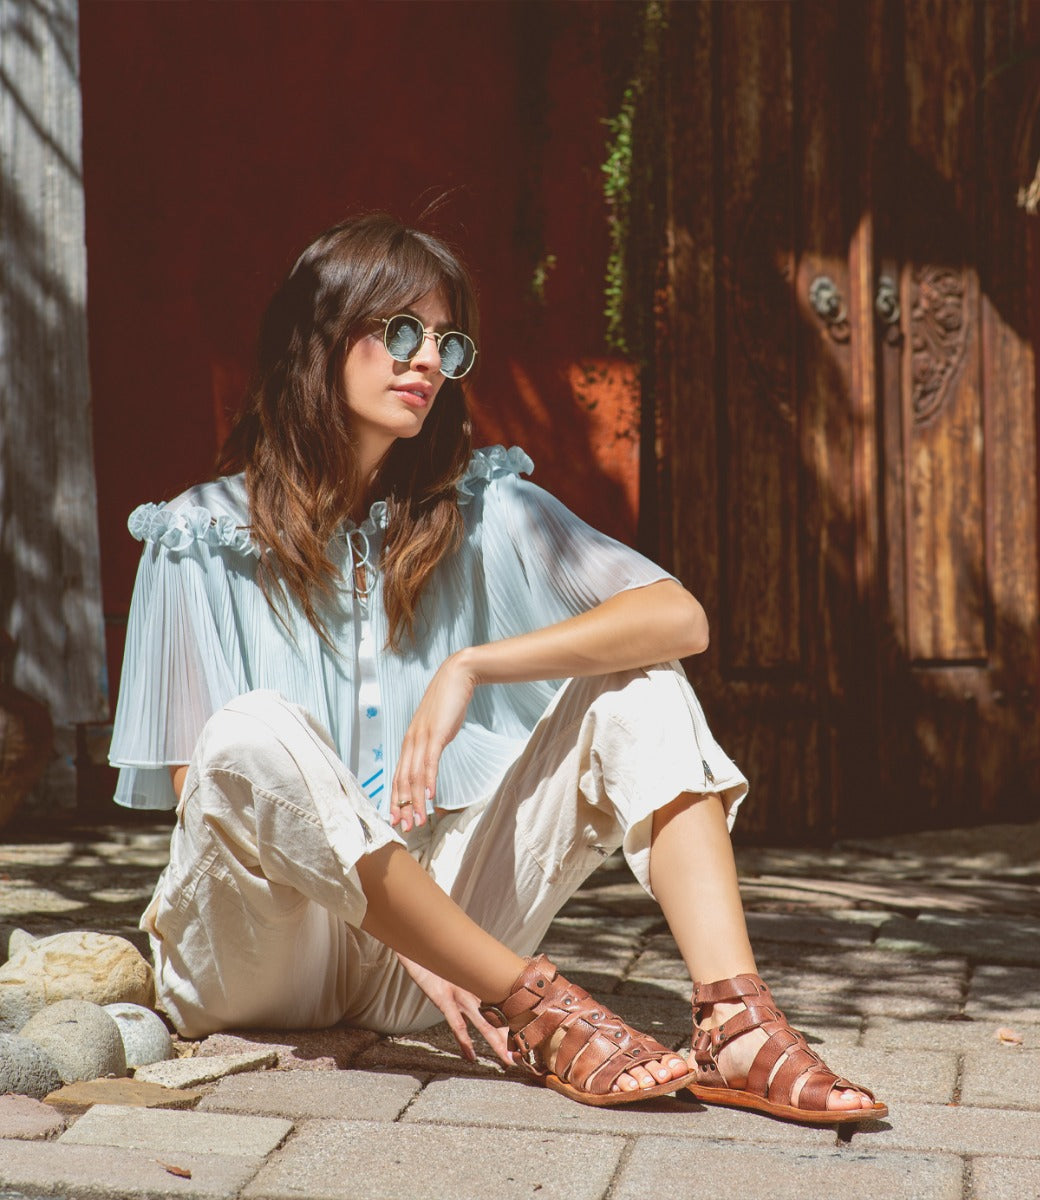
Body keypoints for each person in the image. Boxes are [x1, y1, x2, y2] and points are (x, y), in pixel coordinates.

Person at [110, 213, 886, 1123]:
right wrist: (400, 934)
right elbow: (207, 787)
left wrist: (472, 665)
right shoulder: (196, 536)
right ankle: (540, 1007)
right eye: (399, 332)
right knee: (250, 729)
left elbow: (680, 617)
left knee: (638, 679)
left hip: (444, 967)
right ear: (316, 340)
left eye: (447, 342)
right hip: (257, 959)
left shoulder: (480, 508)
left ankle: (734, 1024)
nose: (427, 361)